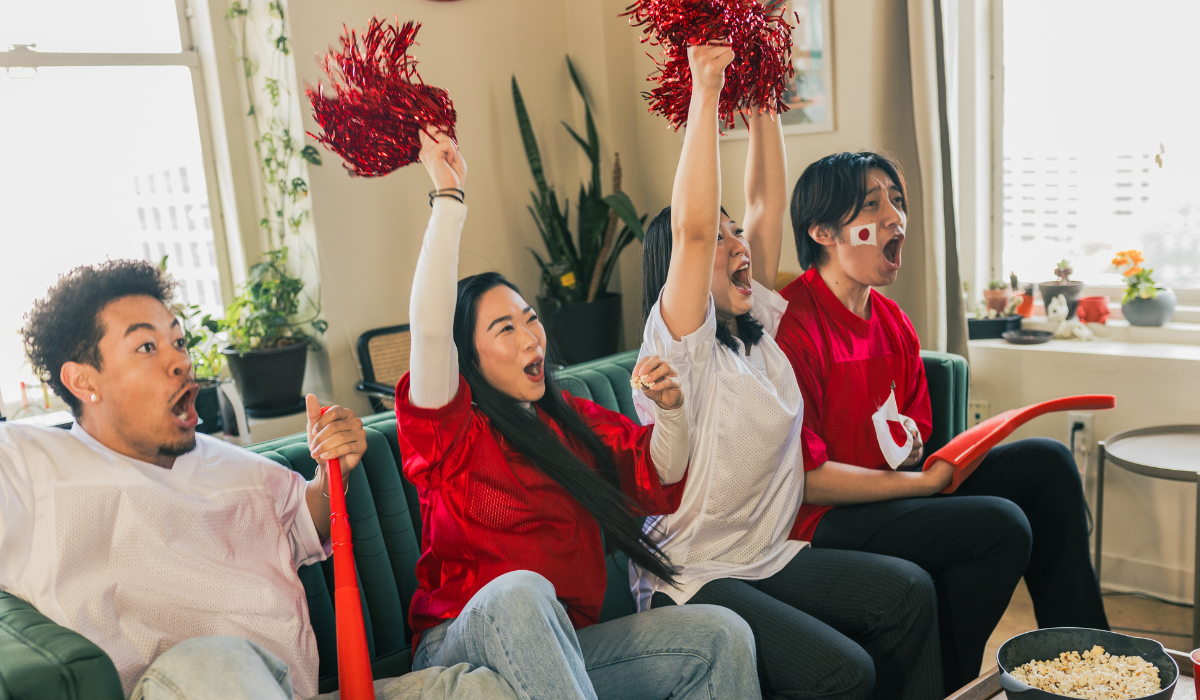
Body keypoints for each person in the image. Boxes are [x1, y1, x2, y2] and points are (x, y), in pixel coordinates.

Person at [0, 259, 518, 699]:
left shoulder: (237, 467)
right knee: (214, 660)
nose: (180, 360)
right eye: (146, 348)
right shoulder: (29, 465)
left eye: (178, 341)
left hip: (295, 690)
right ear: (82, 380)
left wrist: (332, 468)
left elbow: (309, 522)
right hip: (192, 683)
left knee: (488, 686)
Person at [396, 128, 760, 700]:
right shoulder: (452, 431)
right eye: (505, 328)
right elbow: (431, 330)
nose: (530, 338)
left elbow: (658, 475)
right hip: (462, 641)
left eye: (530, 318)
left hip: (564, 647)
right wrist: (447, 197)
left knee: (721, 635)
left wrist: (671, 413)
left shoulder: (571, 420)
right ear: (468, 357)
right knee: (521, 591)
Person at [634, 43, 942, 700]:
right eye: (721, 239)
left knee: (910, 593)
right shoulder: (681, 345)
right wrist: (707, 84)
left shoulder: (759, 327)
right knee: (845, 671)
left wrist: (765, 87)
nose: (737, 244)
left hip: (767, 555)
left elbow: (765, 202)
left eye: (735, 235)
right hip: (694, 576)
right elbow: (692, 232)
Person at [777, 150, 1106, 690]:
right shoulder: (792, 327)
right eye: (872, 205)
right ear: (823, 232)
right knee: (1002, 524)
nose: (895, 217)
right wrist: (922, 480)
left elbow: (915, 432)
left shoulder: (892, 321)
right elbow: (804, 480)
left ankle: (1090, 669)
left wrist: (913, 445)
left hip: (890, 495)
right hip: (823, 519)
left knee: (1047, 463)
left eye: (897, 201)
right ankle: (946, 687)